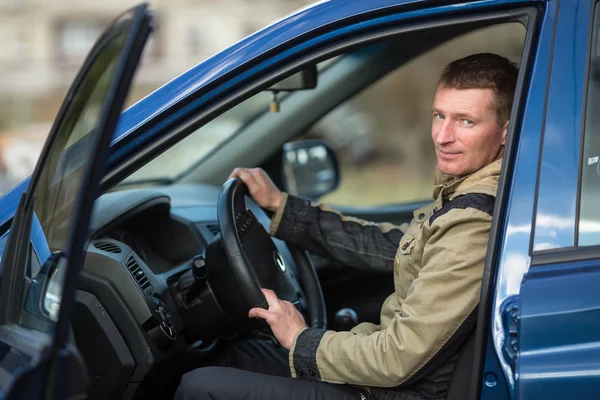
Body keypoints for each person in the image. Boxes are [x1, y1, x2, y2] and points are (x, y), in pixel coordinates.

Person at [174, 53, 518, 400]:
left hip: (391, 392)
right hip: (377, 371)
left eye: (466, 122)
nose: (442, 136)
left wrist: (301, 339)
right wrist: (283, 208)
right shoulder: (460, 193)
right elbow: (392, 247)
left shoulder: (473, 219)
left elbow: (399, 358)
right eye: (439, 115)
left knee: (200, 388)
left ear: (505, 131)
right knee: (233, 356)